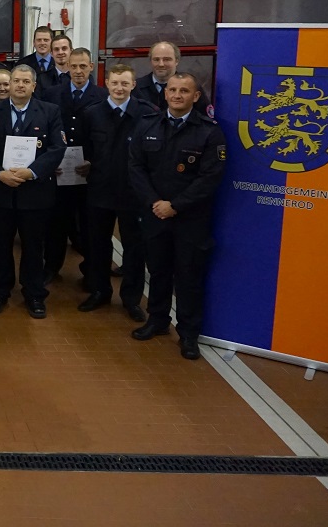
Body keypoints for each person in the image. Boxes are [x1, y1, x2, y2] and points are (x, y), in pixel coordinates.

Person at [128, 72, 226, 360]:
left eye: (184, 91)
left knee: (188, 277)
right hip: (155, 214)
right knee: (158, 272)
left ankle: (188, 334)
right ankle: (157, 321)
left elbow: (210, 178)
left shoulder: (209, 131)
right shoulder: (148, 125)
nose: (177, 95)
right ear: (165, 93)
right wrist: (155, 202)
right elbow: (135, 167)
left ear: (196, 96)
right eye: (173, 90)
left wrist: (176, 205)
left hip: (190, 219)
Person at [0, 65, 66, 319]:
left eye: (25, 81)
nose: (19, 86)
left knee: (33, 247)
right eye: (16, 81)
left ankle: (34, 294)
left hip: (35, 192)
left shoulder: (50, 111)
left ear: (33, 86)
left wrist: (33, 171)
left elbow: (57, 148)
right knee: (0, 245)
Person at [77, 63, 157, 320]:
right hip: (99, 190)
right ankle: (100, 291)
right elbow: (85, 149)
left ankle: (131, 299)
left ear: (133, 85)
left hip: (134, 193)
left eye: (125, 83)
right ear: (107, 84)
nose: (119, 88)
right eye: (115, 83)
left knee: (134, 248)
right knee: (97, 245)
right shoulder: (92, 114)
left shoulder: (147, 114)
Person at [42, 48, 106, 287]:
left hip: (89, 173)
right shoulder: (51, 94)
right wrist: (49, 164)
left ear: (91, 67)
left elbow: (106, 138)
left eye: (83, 66)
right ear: (66, 66)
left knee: (90, 226)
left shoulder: (102, 95)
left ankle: (91, 272)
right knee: (55, 224)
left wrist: (94, 163)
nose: (78, 71)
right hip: (57, 172)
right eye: (74, 66)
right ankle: (51, 267)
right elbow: (45, 130)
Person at [132, 41, 213, 116]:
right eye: (156, 59)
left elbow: (205, 121)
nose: (161, 64)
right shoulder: (135, 88)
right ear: (150, 61)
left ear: (176, 61)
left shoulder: (192, 86)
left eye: (167, 59)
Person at [17, 25, 56, 90]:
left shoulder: (58, 63)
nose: (42, 43)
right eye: (39, 40)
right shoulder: (22, 64)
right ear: (34, 43)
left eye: (46, 40)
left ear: (52, 43)